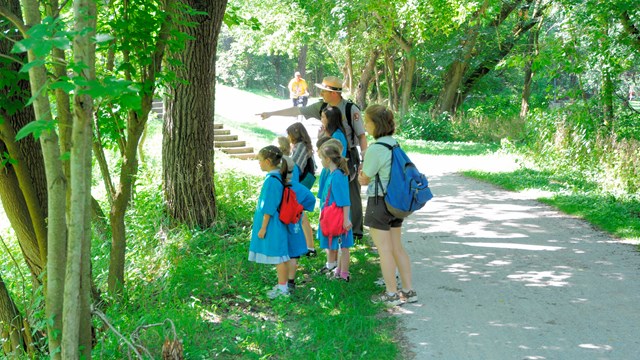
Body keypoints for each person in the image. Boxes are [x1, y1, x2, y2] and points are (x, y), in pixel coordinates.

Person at [260, 76, 367, 240]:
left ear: (333, 93)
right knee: (330, 190)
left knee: (351, 192)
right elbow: (296, 111)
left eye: (324, 90)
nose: (321, 93)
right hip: (328, 156)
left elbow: (361, 136)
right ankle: (333, 223)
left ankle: (357, 231)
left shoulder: (350, 109)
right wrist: (271, 114)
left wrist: (364, 159)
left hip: (348, 154)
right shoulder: (321, 107)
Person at [358, 105, 417, 306]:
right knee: (396, 247)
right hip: (395, 202)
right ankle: (408, 291)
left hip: (379, 202)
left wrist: (360, 175)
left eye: (367, 121)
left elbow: (365, 179)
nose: (365, 125)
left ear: (376, 124)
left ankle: (391, 294)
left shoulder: (376, 148)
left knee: (384, 250)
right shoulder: (394, 144)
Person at [248, 145, 291, 299]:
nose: (259, 163)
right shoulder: (277, 177)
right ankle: (283, 286)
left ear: (267, 161)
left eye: (260, 160)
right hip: (277, 223)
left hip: (273, 224)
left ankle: (282, 289)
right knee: (281, 256)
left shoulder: (271, 181)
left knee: (278, 257)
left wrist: (263, 227)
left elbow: (269, 206)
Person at [317, 140, 353, 281]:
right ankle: (338, 270)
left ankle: (344, 274)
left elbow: (344, 200)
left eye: (321, 158)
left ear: (327, 159)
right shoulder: (332, 173)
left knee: (344, 246)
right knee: (339, 244)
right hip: (335, 215)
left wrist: (345, 219)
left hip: (339, 216)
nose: (320, 161)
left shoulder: (337, 176)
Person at [281, 156, 316, 290]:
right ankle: (291, 281)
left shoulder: (277, 185)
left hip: (280, 225)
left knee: (282, 252)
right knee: (294, 253)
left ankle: (282, 283)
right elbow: (310, 199)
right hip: (295, 224)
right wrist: (300, 208)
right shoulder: (299, 187)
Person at [285, 123, 317, 257]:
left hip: (297, 185)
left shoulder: (300, 148)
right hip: (302, 184)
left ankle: (306, 246)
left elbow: (295, 168)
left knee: (299, 216)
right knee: (302, 216)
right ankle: (309, 246)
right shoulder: (305, 146)